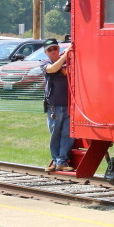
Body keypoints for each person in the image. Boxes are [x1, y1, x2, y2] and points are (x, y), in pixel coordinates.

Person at [41, 39, 74, 173]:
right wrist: (64, 57)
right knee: (55, 135)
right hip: (54, 107)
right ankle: (56, 160)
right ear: (46, 52)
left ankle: (61, 161)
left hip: (69, 106)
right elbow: (52, 68)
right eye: (50, 49)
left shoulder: (67, 61)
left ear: (58, 49)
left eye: (55, 48)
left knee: (68, 134)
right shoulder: (45, 63)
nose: (53, 51)